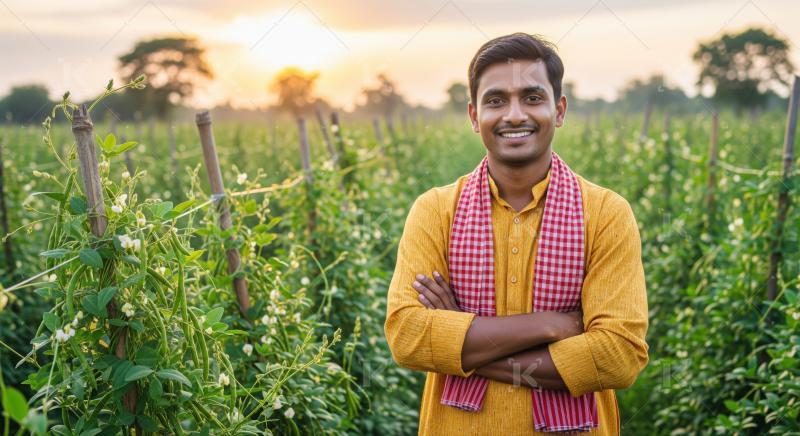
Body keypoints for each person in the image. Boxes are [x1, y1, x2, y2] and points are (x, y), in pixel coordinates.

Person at [384, 32, 649, 435]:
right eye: (495, 101)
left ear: (558, 110)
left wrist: (460, 341)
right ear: (474, 116)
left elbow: (617, 356)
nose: (513, 115)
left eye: (531, 97)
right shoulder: (436, 211)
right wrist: (550, 325)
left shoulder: (606, 214)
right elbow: (408, 336)